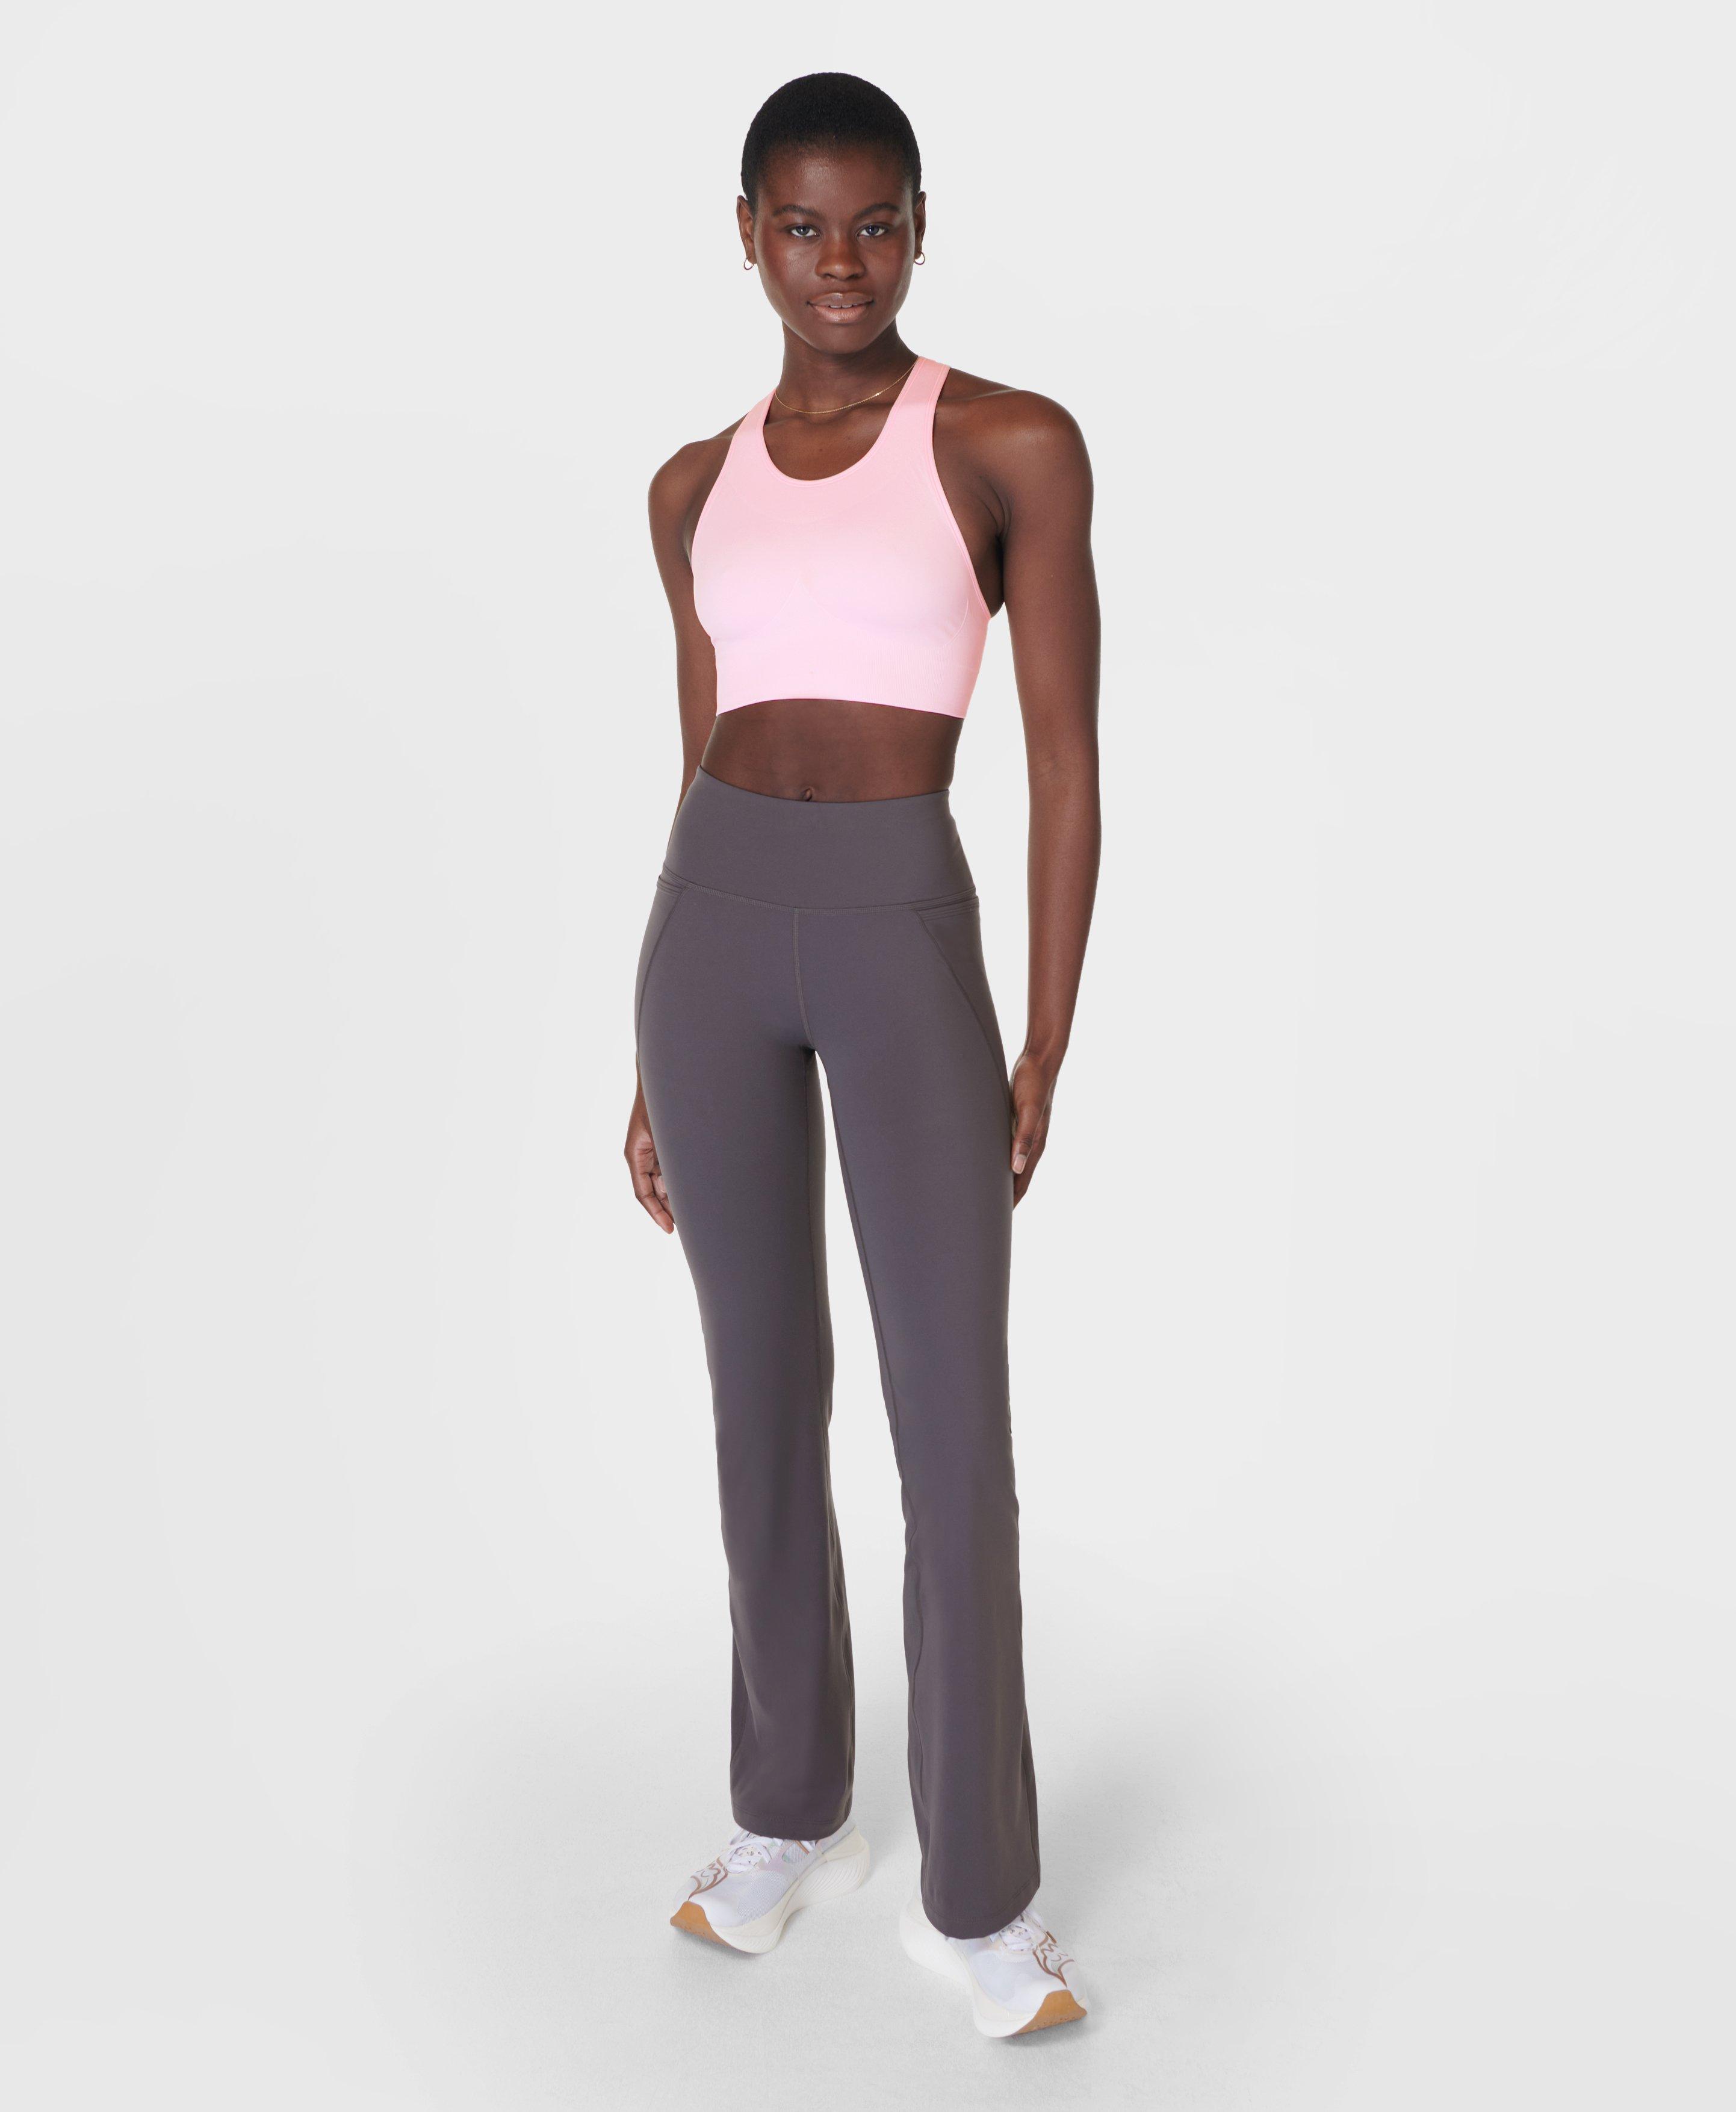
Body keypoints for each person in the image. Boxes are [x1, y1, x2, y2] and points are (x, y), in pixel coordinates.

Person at [627, 71, 1100, 2039]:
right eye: (805, 226)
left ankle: (980, 1897)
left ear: (918, 227)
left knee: (949, 1428)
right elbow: (697, 747)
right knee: (758, 1397)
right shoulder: (688, 485)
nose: (843, 261)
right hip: (712, 933)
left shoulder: (1004, 441)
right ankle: (782, 1809)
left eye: (877, 223)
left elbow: (1063, 756)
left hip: (903, 928)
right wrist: (647, 1052)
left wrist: (1044, 1033)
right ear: (747, 233)